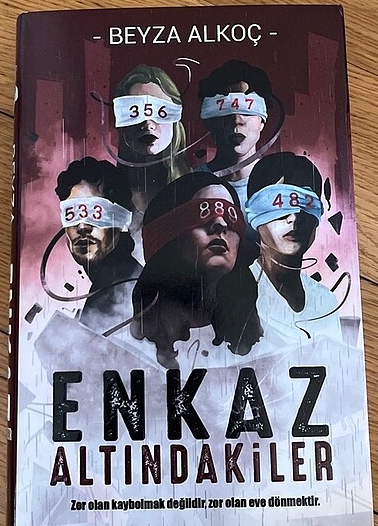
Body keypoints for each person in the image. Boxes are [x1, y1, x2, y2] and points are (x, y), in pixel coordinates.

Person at [130, 172, 262, 367]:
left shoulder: (269, 342)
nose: (221, 224)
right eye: (203, 214)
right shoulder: (125, 348)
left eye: (230, 216)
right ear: (168, 237)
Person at [245, 152, 341, 341]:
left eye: (307, 206)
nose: (294, 218)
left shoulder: (326, 301)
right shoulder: (236, 292)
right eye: (279, 206)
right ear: (253, 213)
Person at [55, 157, 142, 333]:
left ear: (122, 219)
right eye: (72, 214)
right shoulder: (108, 285)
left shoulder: (122, 291)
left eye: (96, 213)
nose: (82, 227)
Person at [113, 65, 190, 260]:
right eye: (135, 112)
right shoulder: (109, 196)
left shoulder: (198, 191)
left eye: (160, 112)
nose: (148, 124)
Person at [196, 59, 279, 207]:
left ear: (262, 121)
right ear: (209, 122)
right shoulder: (191, 185)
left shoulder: (280, 184)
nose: (237, 120)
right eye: (226, 111)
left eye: (247, 110)